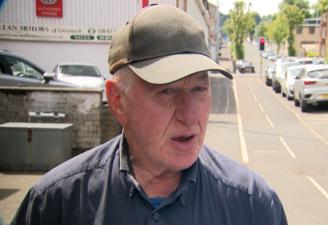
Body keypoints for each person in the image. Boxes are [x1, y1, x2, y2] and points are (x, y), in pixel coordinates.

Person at [11, 5, 288, 225]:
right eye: (167, 91)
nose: (190, 115)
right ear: (118, 100)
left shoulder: (254, 206)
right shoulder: (55, 204)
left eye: (199, 89)